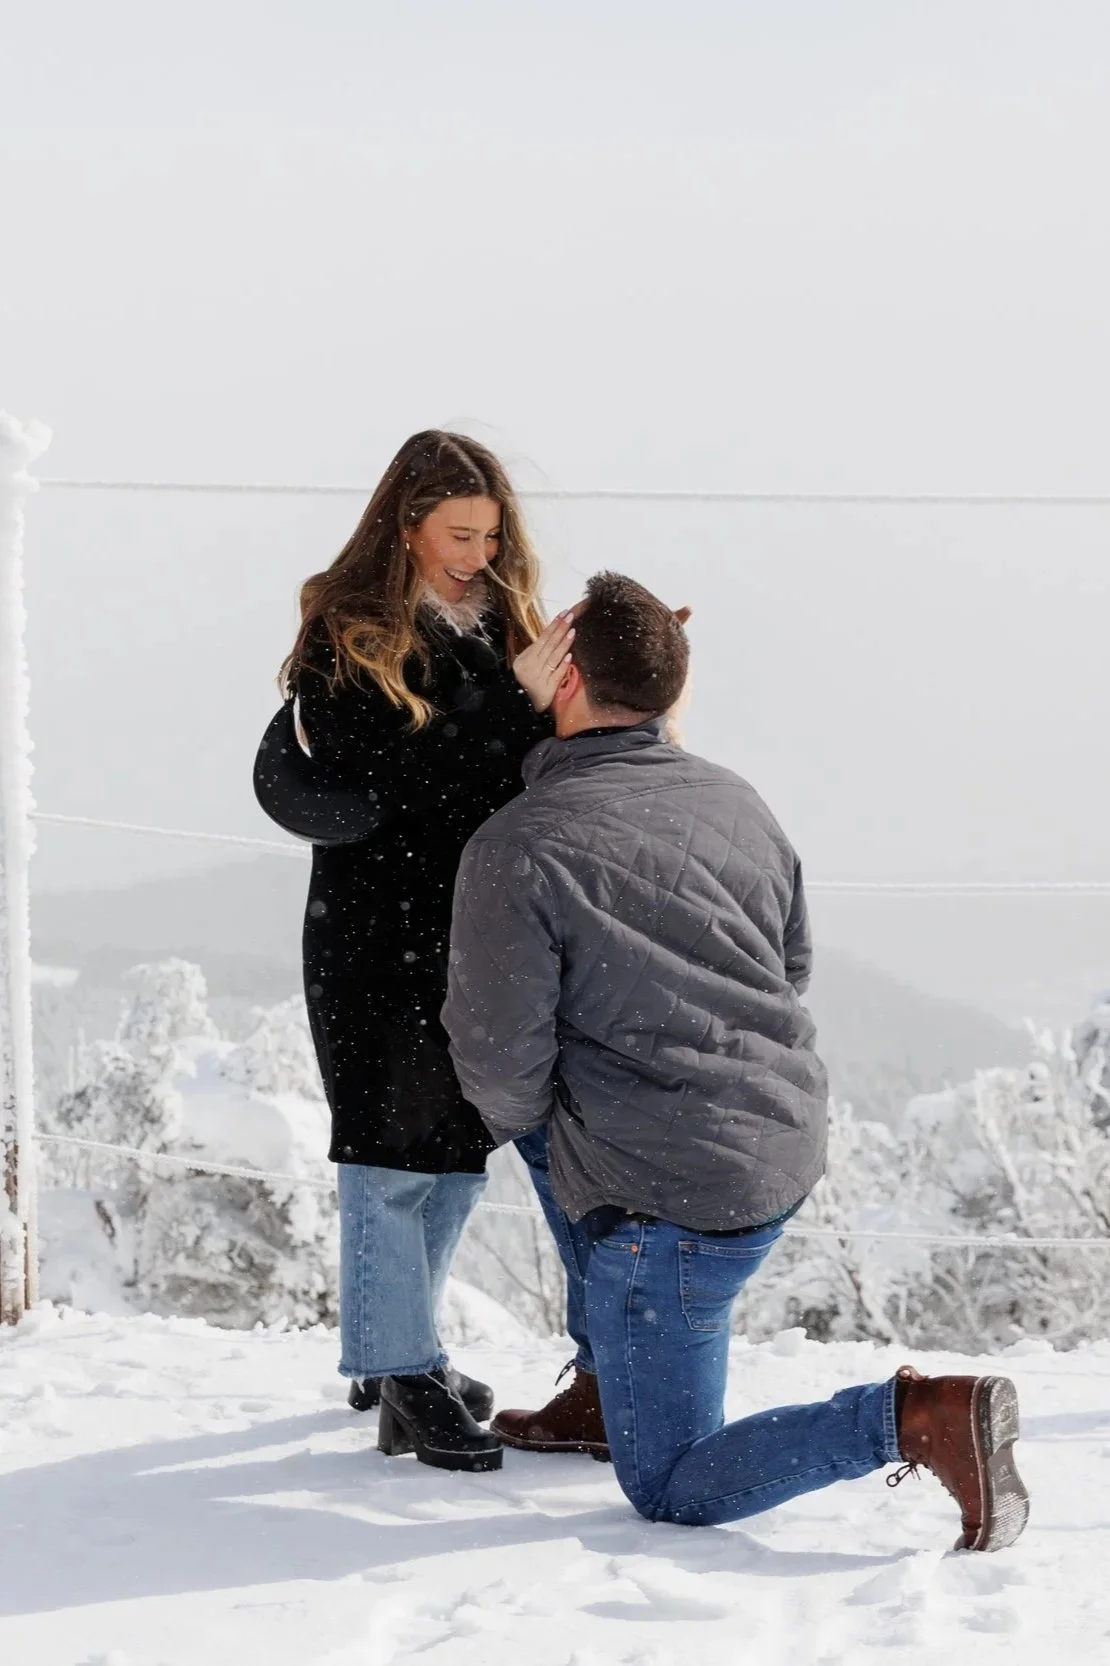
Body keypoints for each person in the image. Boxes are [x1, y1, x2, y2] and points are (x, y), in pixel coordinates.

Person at [442, 572, 1029, 1550]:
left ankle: (916, 1418)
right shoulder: (735, 799)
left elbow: (500, 1062)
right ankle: (608, 1381)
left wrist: (553, 1106)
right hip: (778, 1143)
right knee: (556, 1130)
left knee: (672, 1483)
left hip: (674, 1205)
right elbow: (789, 965)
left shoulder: (521, 844)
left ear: (569, 679)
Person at [281, 430, 574, 1473]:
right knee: (385, 1150)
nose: (477, 553)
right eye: (459, 532)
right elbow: (393, 786)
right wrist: (516, 699)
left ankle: (411, 1347)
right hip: (373, 927)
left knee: (452, 1151)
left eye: (492, 534)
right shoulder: (349, 633)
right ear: (405, 522)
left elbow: (510, 769)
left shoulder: (506, 623)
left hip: (473, 928)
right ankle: (400, 1369)